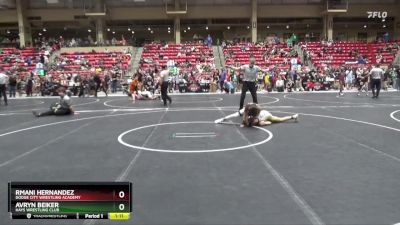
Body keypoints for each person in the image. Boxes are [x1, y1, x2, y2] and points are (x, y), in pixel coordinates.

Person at [215, 103, 298, 127]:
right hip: (260, 114)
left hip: (265, 115)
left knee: (278, 119)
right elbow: (234, 115)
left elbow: (252, 121)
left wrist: (246, 123)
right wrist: (222, 119)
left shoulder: (257, 111)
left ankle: (292, 116)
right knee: (248, 121)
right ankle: (264, 122)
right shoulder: (245, 109)